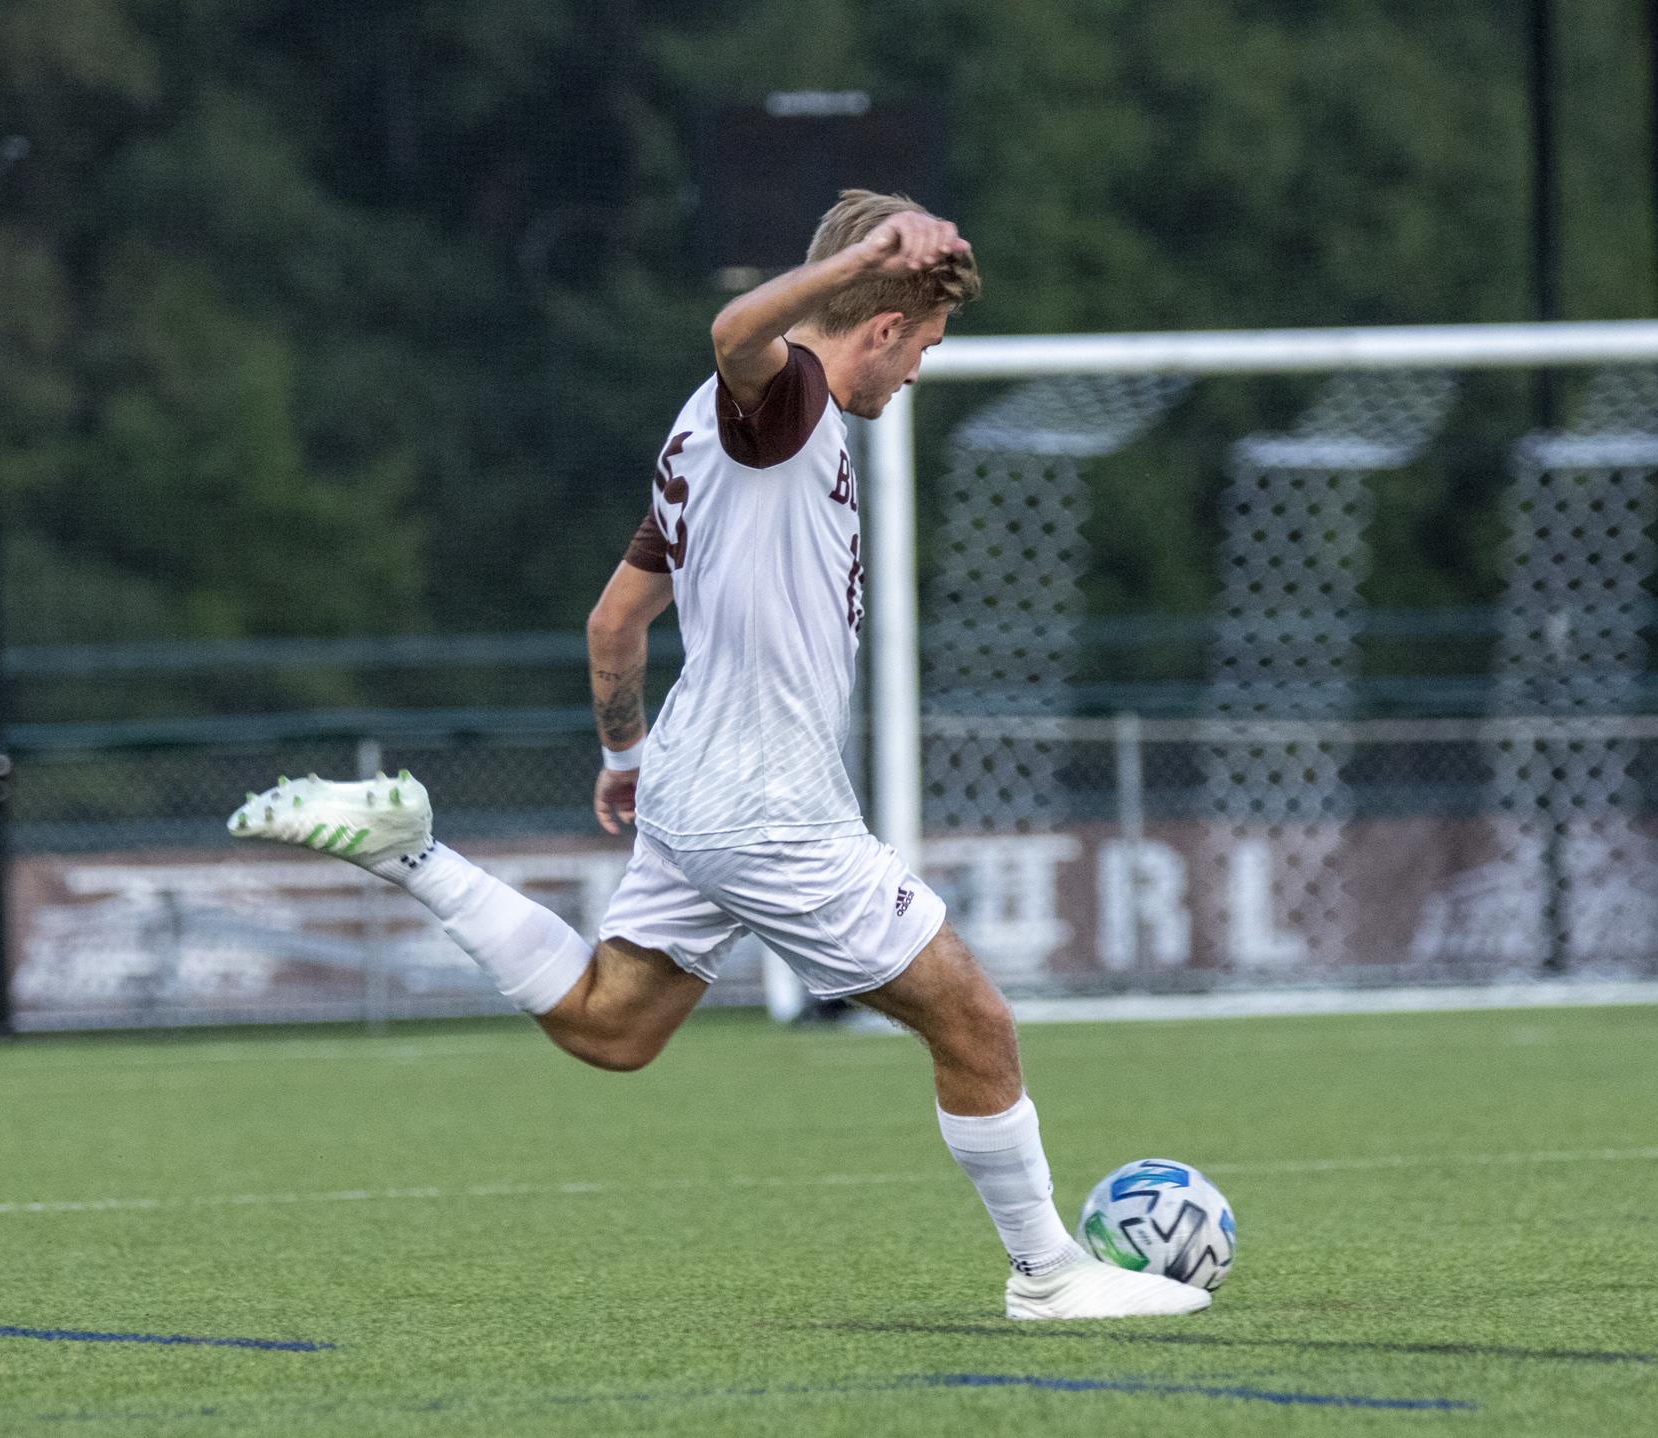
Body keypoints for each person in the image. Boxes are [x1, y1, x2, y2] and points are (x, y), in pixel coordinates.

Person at [229, 189, 1208, 1321]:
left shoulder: (701, 436)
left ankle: (410, 854)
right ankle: (1048, 1274)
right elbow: (736, 332)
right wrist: (862, 261)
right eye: (925, 346)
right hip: (766, 804)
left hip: (693, 778)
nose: (918, 372)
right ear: (883, 324)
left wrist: (625, 754)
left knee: (613, 1025)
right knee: (974, 1019)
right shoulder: (783, 403)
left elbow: (612, 624)